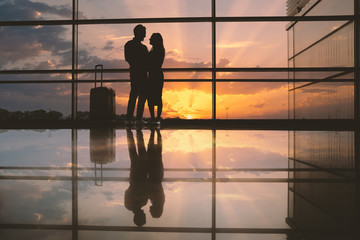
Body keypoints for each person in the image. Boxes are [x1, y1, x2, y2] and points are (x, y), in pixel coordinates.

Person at [124, 24, 149, 125]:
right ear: (139, 33)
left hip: (135, 72)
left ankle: (129, 119)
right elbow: (147, 61)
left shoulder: (129, 44)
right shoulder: (143, 48)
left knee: (133, 96)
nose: (145, 36)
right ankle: (137, 118)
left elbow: (128, 58)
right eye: (144, 33)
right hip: (141, 73)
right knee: (141, 97)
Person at [147, 33, 165, 124]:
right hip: (158, 74)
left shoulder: (154, 51)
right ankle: (157, 117)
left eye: (151, 38)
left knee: (151, 96)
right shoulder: (160, 50)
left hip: (153, 75)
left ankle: (154, 117)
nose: (149, 39)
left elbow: (149, 63)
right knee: (158, 96)